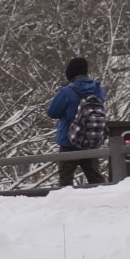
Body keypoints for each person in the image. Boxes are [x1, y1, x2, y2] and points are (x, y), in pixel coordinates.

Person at [45, 57, 108, 187]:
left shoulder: (67, 91)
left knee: (66, 178)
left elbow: (52, 112)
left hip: (69, 140)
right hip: (91, 140)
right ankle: (101, 200)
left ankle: (67, 205)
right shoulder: (98, 90)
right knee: (95, 177)